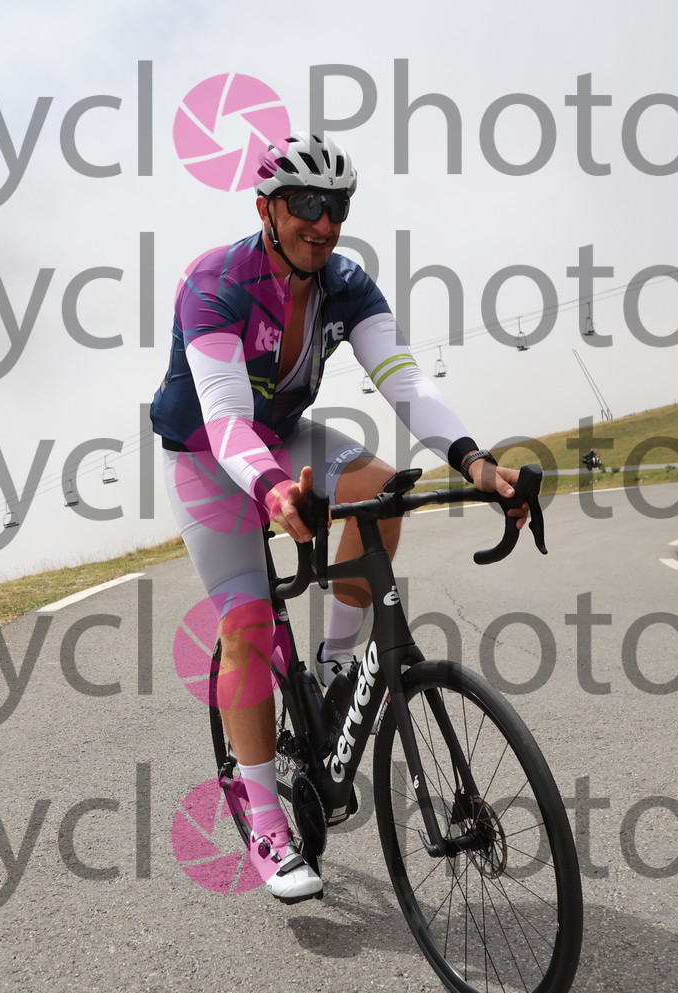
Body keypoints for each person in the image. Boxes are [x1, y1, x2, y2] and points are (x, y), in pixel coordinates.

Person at [150, 132, 529, 902]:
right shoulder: (215, 283)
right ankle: (265, 820)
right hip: (207, 456)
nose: (323, 224)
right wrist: (271, 490)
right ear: (267, 209)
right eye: (306, 205)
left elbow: (406, 382)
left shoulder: (346, 283)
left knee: (382, 488)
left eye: (338, 208)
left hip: (284, 434)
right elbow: (225, 418)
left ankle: (331, 666)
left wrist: (476, 462)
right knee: (249, 626)